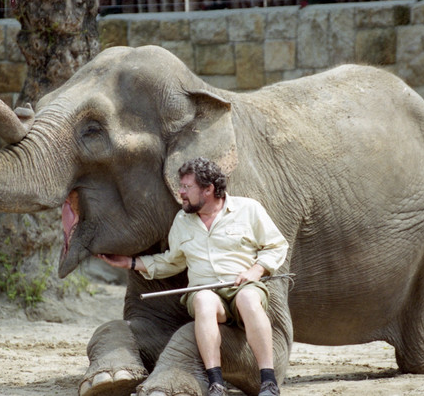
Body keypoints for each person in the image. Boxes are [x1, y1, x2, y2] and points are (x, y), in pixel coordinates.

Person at [98, 157, 288, 396]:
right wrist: (131, 262)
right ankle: (215, 382)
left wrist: (255, 271)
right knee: (202, 301)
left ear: (208, 189)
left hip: (242, 286)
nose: (181, 193)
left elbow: (276, 245)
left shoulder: (248, 209)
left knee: (249, 299)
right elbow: (172, 261)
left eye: (187, 187)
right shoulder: (183, 221)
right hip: (206, 291)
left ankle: (268, 382)